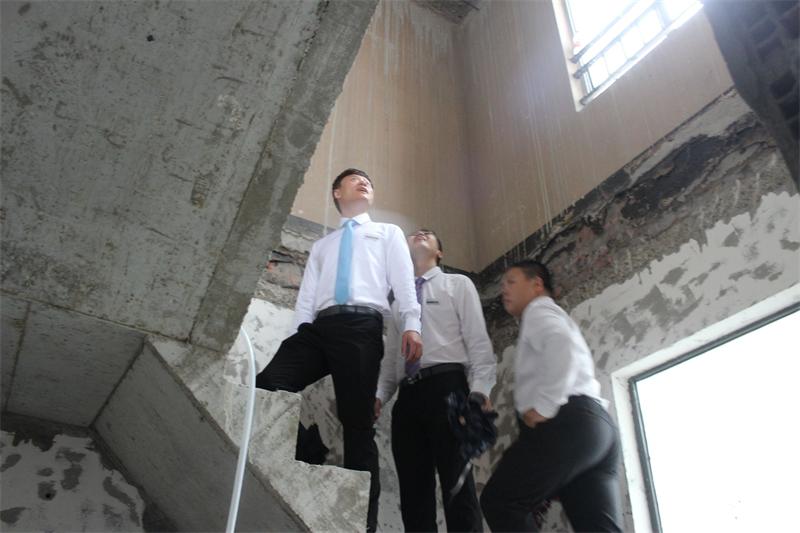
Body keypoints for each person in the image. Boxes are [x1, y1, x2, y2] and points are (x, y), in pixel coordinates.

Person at [256, 168, 423, 532]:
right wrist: (296, 337)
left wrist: (412, 323)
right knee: (267, 384)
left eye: (369, 181)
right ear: (336, 192)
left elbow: (403, 282)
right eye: (355, 179)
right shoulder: (322, 246)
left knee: (357, 426)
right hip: (318, 329)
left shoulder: (387, 233)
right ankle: (309, 449)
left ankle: (365, 524)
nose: (365, 182)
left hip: (361, 328)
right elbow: (306, 298)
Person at [480, 260, 622, 532]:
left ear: (536, 285)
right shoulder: (552, 315)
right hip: (597, 429)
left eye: (511, 282)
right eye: (502, 284)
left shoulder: (538, 311)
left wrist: (545, 406)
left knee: (501, 502)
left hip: (567, 422)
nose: (504, 290)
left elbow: (561, 344)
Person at [375, 228, 496, 532]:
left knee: (457, 485)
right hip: (407, 398)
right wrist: (379, 396)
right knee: (413, 492)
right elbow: (391, 362)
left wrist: (480, 391)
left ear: (439, 253)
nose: (420, 234)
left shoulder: (457, 285)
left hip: (448, 389)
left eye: (428, 234)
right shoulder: (397, 305)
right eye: (415, 233)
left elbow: (478, 342)